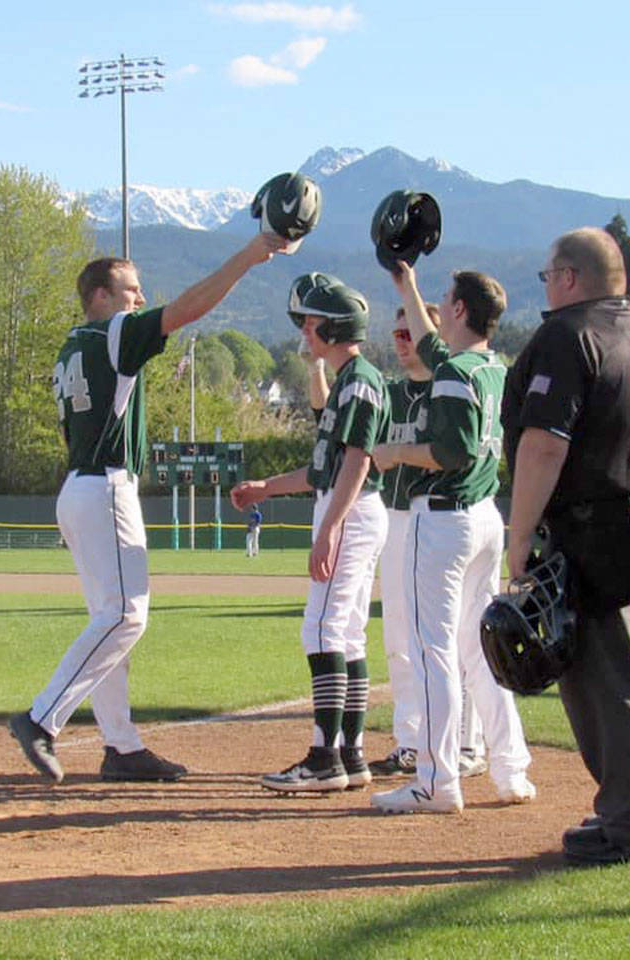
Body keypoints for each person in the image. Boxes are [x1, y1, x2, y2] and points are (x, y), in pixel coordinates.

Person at [8, 231, 289, 785]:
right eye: (130, 290)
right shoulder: (113, 335)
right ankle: (41, 718)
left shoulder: (74, 343)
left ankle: (121, 746)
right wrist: (251, 255)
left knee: (108, 621)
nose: (139, 298)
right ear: (100, 298)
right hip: (105, 489)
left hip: (81, 490)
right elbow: (187, 308)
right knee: (126, 616)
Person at [501, 226, 630, 865]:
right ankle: (623, 810)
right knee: (609, 675)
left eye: (548, 276)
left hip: (601, 522)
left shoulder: (567, 333)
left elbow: (545, 443)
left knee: (611, 681)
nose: (546, 288)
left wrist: (519, 538)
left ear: (571, 277)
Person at [368, 261, 534, 814]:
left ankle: (436, 782)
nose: (438, 306)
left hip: (443, 518)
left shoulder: (455, 374)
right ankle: (510, 770)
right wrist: (407, 286)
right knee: (477, 649)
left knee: (430, 650)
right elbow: (434, 347)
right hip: (486, 516)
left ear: (460, 309)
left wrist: (394, 453)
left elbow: (450, 452)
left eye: (445, 299)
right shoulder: (491, 367)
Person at [231, 276, 389, 792]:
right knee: (344, 633)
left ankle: (324, 759)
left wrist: (328, 529)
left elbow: (357, 462)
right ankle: (350, 754)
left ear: (334, 326)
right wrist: (266, 489)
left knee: (321, 631)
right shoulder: (349, 379)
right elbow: (323, 468)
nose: (304, 328)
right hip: (351, 508)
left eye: (312, 321)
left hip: (351, 511)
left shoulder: (361, 381)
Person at [368, 305, 488, 781]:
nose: (401, 340)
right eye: (396, 331)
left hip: (444, 516)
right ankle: (411, 741)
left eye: (409, 330)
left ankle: (466, 742)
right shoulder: (389, 394)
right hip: (396, 519)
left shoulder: (451, 387)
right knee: (400, 636)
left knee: (458, 637)